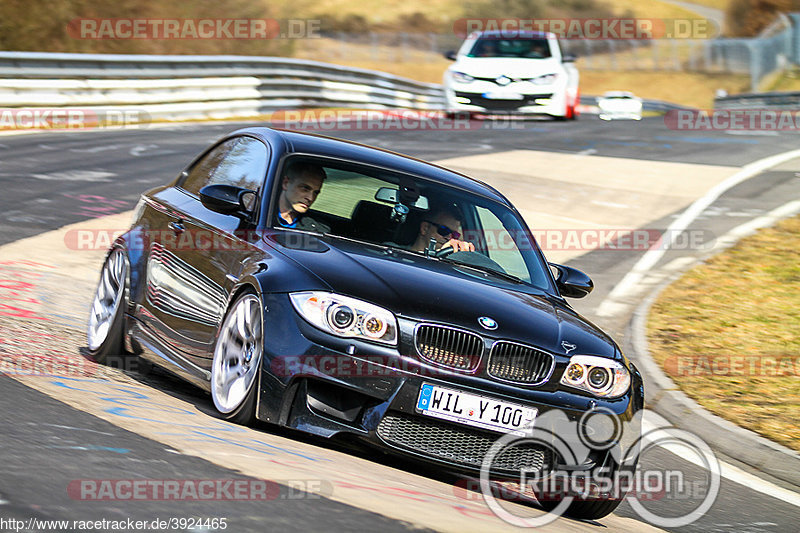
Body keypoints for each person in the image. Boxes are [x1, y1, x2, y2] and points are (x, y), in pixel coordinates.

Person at [275, 161, 330, 233]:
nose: (311, 198)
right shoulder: (258, 213)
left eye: (316, 193)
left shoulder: (319, 231)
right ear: (286, 183)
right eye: (305, 189)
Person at [409, 206, 475, 253]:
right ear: (424, 228)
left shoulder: (449, 266)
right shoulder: (399, 256)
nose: (449, 238)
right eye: (444, 230)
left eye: (455, 235)